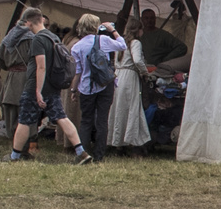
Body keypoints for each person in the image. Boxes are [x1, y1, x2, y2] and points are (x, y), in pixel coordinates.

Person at [3, 8, 92, 164]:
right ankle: (81, 152)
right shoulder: (54, 37)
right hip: (53, 87)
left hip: (36, 87)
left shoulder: (38, 39)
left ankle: (14, 156)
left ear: (29, 23)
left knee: (24, 120)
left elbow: (41, 66)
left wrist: (37, 91)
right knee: (62, 118)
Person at [70, 14, 127, 163]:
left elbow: (78, 72)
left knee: (86, 121)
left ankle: (84, 153)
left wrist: (73, 90)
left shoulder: (77, 47)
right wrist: (112, 31)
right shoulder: (103, 40)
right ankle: (99, 154)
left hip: (86, 87)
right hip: (105, 85)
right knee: (102, 120)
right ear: (96, 27)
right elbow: (122, 45)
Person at [109, 18, 152, 152]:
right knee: (131, 108)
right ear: (138, 30)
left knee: (118, 109)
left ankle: (117, 141)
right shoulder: (136, 43)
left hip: (118, 75)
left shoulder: (121, 42)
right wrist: (145, 73)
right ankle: (130, 141)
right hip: (129, 77)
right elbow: (138, 60)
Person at [138, 9, 190, 73]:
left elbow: (182, 47)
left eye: (152, 18)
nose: (149, 20)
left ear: (155, 19)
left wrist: (165, 60)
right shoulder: (138, 35)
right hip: (142, 70)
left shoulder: (163, 35)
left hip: (157, 71)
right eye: (146, 18)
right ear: (142, 19)